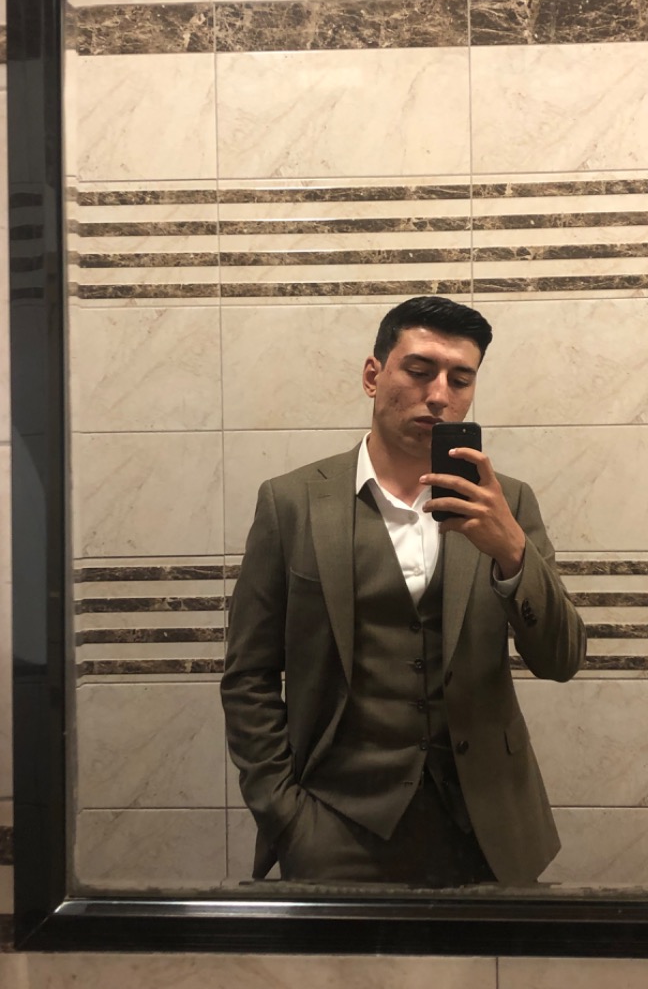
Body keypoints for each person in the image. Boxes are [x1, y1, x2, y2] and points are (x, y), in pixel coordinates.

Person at [221, 297, 586, 887]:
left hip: (489, 824)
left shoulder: (507, 503)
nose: (438, 395)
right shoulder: (291, 503)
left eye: (460, 380)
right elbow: (248, 676)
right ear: (373, 376)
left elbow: (562, 660)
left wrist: (512, 551)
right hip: (335, 823)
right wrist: (287, 814)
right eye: (419, 371)